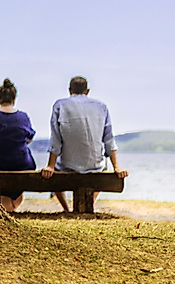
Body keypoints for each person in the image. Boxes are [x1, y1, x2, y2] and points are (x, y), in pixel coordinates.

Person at [41, 76, 128, 212]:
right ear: (87, 91)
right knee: (103, 167)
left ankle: (66, 209)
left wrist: (50, 166)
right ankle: (89, 203)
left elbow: (56, 139)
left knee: (55, 172)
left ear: (70, 90)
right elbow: (109, 139)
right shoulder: (101, 106)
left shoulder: (59, 105)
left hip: (67, 166)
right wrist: (116, 167)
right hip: (95, 166)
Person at [0, 79, 36, 213]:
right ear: (14, 98)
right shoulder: (22, 117)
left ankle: (1, 205)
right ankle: (10, 205)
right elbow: (29, 138)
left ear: (0, 97)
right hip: (19, 164)